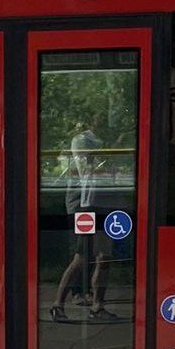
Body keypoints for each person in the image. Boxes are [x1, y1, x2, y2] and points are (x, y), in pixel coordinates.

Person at [49, 128, 113, 322]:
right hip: (88, 205)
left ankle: (95, 305)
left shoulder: (96, 141)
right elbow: (87, 170)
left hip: (99, 204)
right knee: (85, 256)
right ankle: (60, 304)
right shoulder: (82, 141)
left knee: (100, 256)